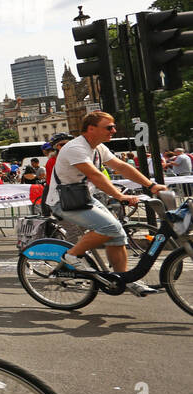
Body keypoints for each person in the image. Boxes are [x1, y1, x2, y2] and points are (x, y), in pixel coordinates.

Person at [45, 112, 167, 295]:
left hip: (83, 198)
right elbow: (96, 175)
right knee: (110, 227)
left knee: (118, 237)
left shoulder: (98, 147)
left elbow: (122, 167)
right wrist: (119, 196)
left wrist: (151, 185)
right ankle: (70, 256)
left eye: (113, 126)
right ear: (91, 129)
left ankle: (124, 279)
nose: (114, 130)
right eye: (109, 127)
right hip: (63, 201)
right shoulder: (75, 148)